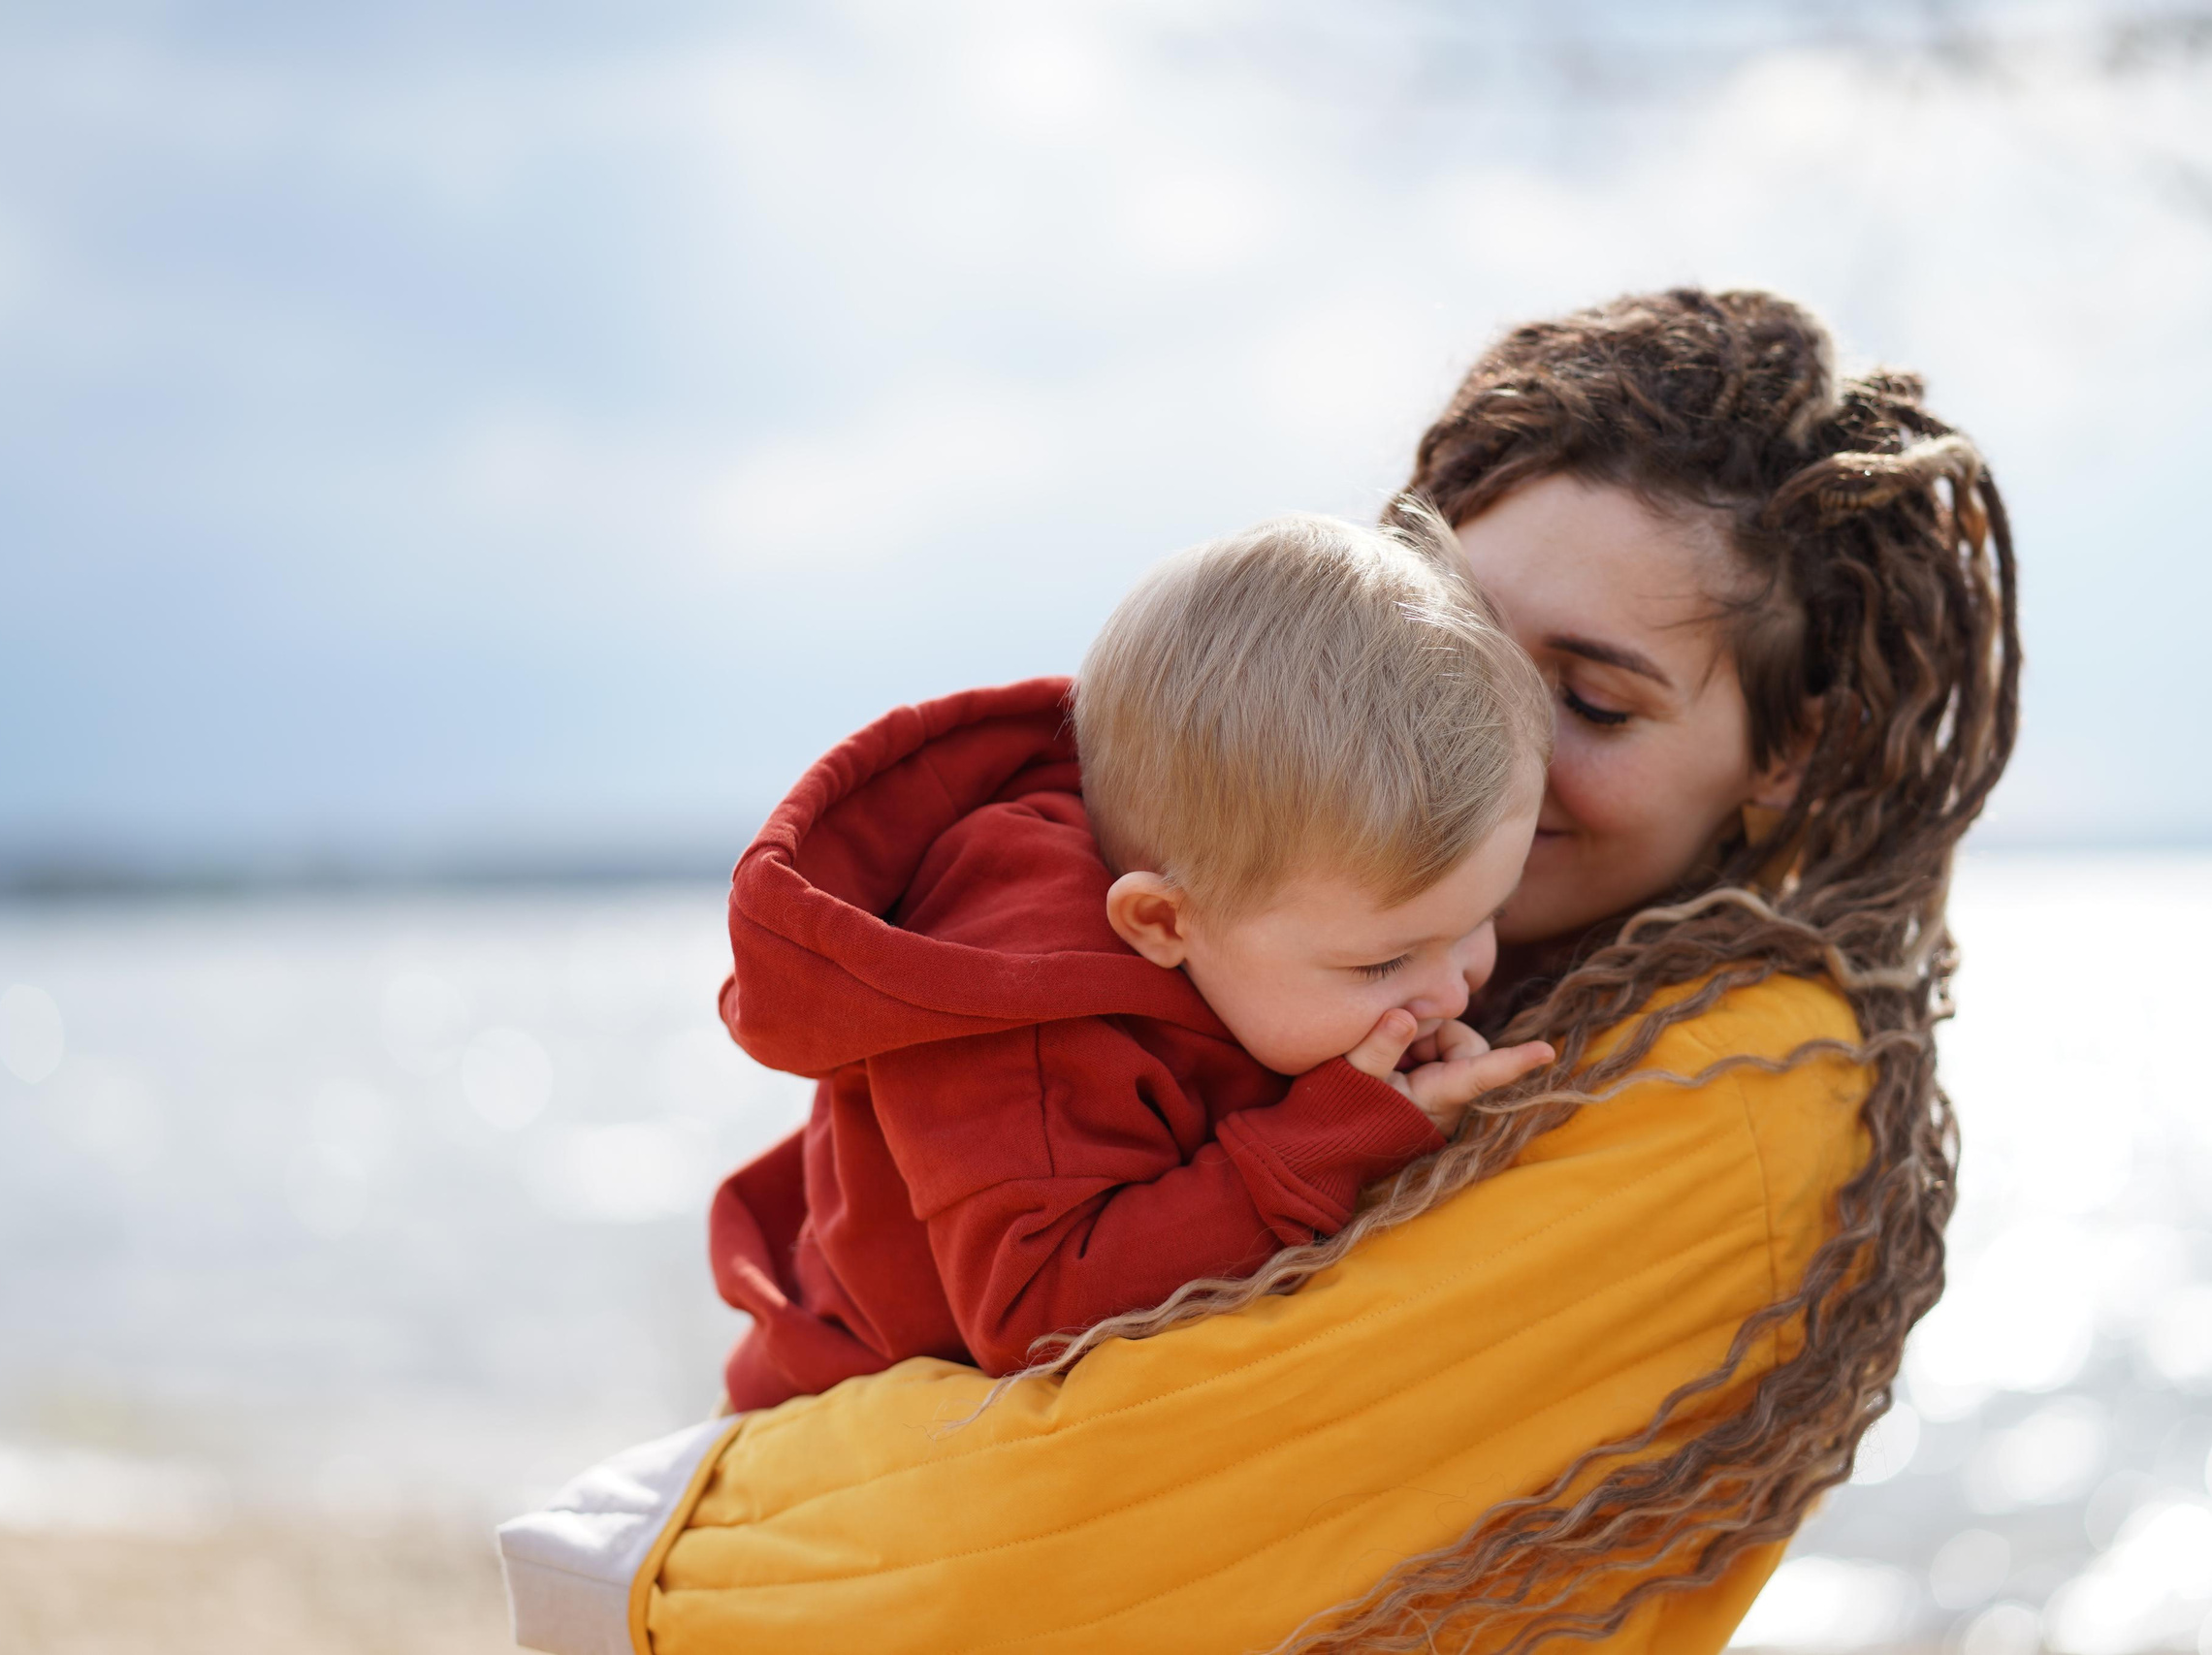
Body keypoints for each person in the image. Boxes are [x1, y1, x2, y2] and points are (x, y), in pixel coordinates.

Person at [497, 288, 2018, 1655]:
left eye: (1597, 701)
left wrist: (658, 1545)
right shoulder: (1145, 912)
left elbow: (1109, 1512)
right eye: (1457, 648)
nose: (1478, 748)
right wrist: (645, 1548)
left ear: (1792, 747)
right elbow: (1053, 1493)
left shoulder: (1746, 1082)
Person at [708, 511, 1557, 1410]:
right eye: (1383, 964)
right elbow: (1035, 1314)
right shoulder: (1032, 1026)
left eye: (1484, 918)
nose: (1454, 986)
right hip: (831, 1400)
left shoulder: (1266, 911)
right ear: (1161, 921)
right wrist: (1329, 1142)